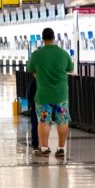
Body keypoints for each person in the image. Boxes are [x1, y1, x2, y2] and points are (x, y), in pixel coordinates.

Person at [26, 28, 74, 159]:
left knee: (43, 121)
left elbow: (30, 69)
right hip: (61, 95)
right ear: (54, 38)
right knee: (62, 121)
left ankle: (44, 148)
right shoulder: (63, 53)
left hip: (43, 95)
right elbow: (70, 68)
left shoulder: (37, 54)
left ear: (43, 39)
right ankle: (60, 149)